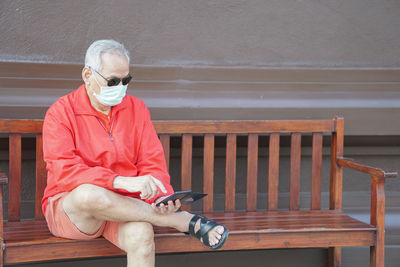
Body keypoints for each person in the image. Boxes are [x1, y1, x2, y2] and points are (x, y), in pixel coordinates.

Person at [42, 39, 228, 267]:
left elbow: (153, 163)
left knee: (142, 234)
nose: (119, 87)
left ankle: (172, 217)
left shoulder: (136, 108)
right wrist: (119, 181)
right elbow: (65, 172)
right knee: (88, 194)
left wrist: (161, 197)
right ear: (87, 75)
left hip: (125, 209)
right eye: (112, 81)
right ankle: (183, 222)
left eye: (125, 80)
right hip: (75, 213)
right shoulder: (60, 112)